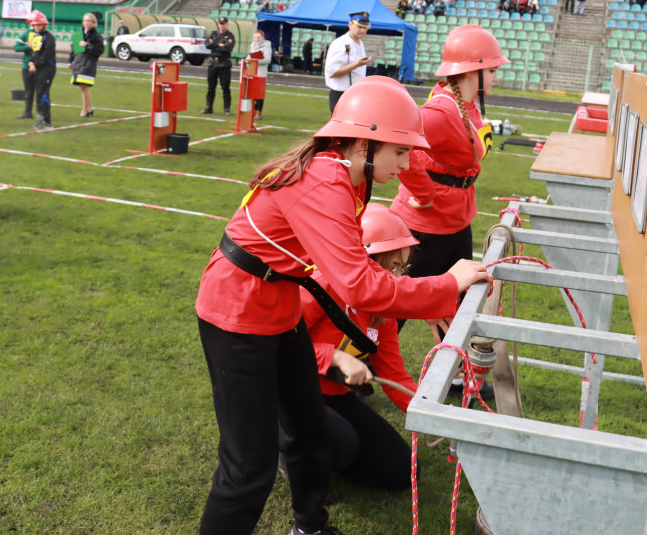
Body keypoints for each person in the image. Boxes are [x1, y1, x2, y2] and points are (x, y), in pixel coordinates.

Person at [195, 77, 491, 535]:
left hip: (278, 305)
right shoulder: (327, 182)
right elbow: (362, 287)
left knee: (310, 431)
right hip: (237, 315)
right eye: (400, 152)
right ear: (363, 142)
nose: (408, 163)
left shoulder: (349, 173)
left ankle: (309, 527)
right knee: (246, 467)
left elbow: (355, 280)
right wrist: (446, 284)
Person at [390, 25, 506, 342]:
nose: (497, 77)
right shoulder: (440, 111)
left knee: (459, 301)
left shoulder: (467, 104)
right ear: (472, 71)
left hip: (455, 220)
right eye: (492, 70)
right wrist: (424, 194)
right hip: (424, 226)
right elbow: (401, 145)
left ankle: (455, 373)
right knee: (397, 306)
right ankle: (355, 374)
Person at [299, 202, 423, 491]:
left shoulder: (383, 308)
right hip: (289, 393)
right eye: (393, 265)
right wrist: (336, 357)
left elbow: (394, 376)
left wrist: (433, 418)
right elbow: (278, 344)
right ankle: (290, 455)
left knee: (403, 473)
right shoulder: (321, 285)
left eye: (403, 266)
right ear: (364, 258)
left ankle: (327, 457)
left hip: (335, 395)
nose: (399, 276)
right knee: (342, 441)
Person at [323, 11, 372, 113]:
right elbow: (332, 72)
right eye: (359, 26)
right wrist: (357, 64)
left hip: (355, 93)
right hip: (341, 94)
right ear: (350, 24)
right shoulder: (340, 43)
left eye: (365, 27)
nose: (362, 30)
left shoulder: (360, 42)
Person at [68, 11, 105, 118]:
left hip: (88, 63)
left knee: (84, 87)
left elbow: (100, 50)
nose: (87, 23)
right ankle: (89, 109)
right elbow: (73, 48)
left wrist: (88, 45)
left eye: (89, 21)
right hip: (79, 63)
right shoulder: (79, 34)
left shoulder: (97, 36)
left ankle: (85, 109)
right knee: (83, 87)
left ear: (94, 22)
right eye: (85, 20)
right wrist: (70, 61)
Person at [28, 11, 57, 130]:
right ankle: (41, 120)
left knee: (43, 94)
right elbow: (35, 53)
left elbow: (46, 55)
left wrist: (36, 65)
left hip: (47, 69)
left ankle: (47, 121)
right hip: (39, 68)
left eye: (38, 25)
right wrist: (30, 62)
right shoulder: (36, 37)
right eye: (35, 25)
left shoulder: (49, 38)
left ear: (44, 25)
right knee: (39, 94)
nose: (36, 27)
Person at [203, 16, 235, 115]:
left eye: (224, 23)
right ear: (218, 24)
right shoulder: (213, 33)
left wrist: (214, 45)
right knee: (211, 86)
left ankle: (226, 108)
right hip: (213, 63)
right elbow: (207, 44)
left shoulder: (230, 35)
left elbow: (227, 48)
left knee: (225, 87)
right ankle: (209, 107)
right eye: (220, 24)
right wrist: (219, 44)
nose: (222, 25)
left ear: (227, 24)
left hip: (224, 63)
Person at [14, 11, 40, 119]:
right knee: (29, 90)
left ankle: (40, 112)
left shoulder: (43, 35)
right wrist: (28, 47)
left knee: (40, 90)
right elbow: (16, 48)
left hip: (39, 65)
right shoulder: (25, 34)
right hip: (26, 66)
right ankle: (27, 112)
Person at [248, 29, 271, 120]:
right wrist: (246, 61)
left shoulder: (267, 46)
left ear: (263, 37)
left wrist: (255, 61)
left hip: (261, 73)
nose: (256, 39)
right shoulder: (253, 46)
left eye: (258, 37)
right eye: (255, 37)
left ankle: (259, 112)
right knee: (252, 93)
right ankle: (252, 111)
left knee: (259, 94)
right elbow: (249, 57)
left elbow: (267, 60)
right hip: (252, 72)